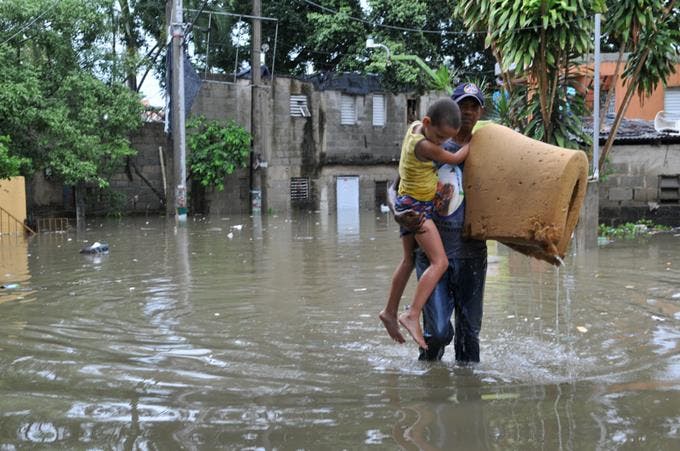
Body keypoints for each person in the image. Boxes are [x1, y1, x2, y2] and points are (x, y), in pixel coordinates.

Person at [385, 82, 488, 363]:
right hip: (433, 251)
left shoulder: (487, 150)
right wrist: (397, 213)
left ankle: (468, 387)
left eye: (474, 107)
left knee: (470, 335)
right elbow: (395, 188)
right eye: (463, 106)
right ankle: (429, 380)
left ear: (481, 112)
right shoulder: (431, 145)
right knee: (438, 333)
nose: (468, 112)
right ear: (452, 108)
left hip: (472, 253)